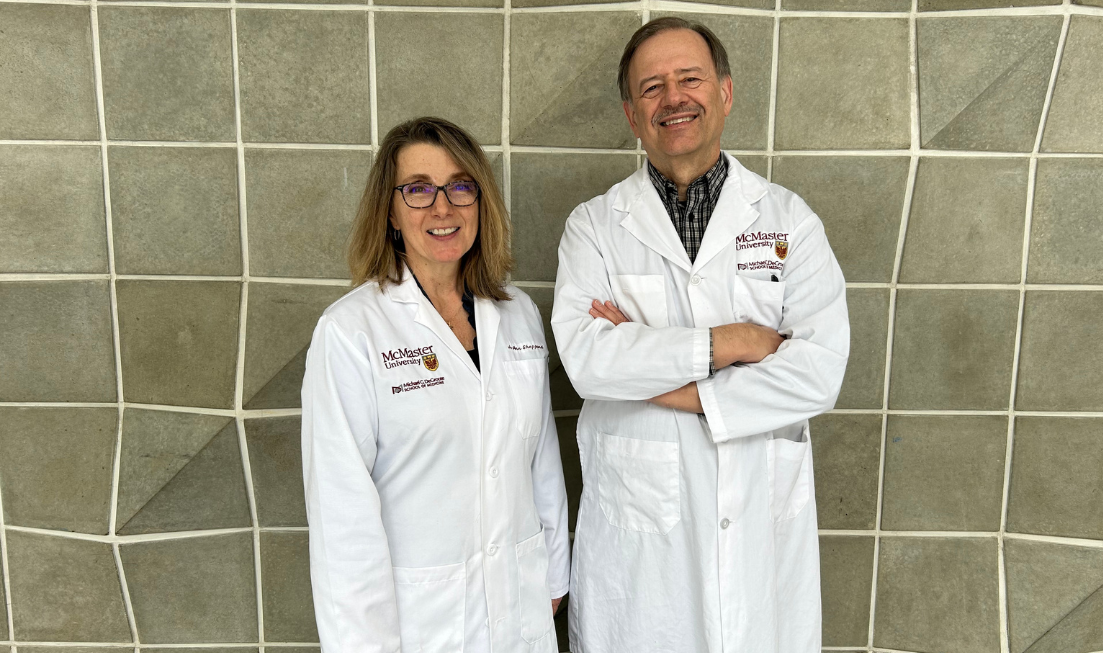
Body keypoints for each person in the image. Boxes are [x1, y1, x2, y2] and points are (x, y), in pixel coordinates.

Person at [552, 17, 850, 653]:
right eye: (652, 88)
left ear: (724, 92)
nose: (674, 98)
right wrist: (733, 341)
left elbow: (818, 372)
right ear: (633, 116)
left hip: (757, 526)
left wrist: (658, 374)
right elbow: (587, 362)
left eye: (689, 78)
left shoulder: (789, 221)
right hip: (639, 544)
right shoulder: (595, 227)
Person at [301, 117, 569, 653]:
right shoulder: (351, 332)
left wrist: (553, 575)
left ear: (480, 202)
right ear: (391, 212)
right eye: (418, 189)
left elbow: (538, 454)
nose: (442, 207)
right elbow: (341, 510)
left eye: (460, 186)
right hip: (421, 623)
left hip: (520, 605)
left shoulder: (517, 313)